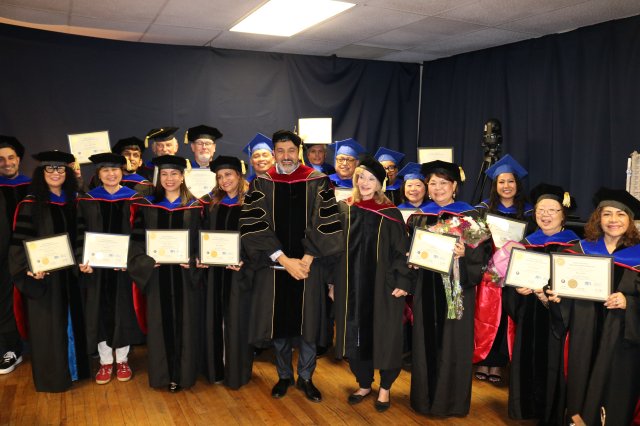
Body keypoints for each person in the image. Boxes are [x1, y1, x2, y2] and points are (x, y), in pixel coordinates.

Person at [239, 130, 343, 403]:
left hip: (310, 267)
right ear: (274, 153)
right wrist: (284, 260)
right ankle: (284, 375)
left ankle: (306, 377)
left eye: (290, 150)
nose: (286, 156)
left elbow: (326, 222)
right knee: (279, 324)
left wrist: (306, 259)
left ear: (299, 152)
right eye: (280, 151)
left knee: (308, 325)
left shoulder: (318, 181)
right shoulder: (261, 183)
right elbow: (254, 225)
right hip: (274, 267)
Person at [546, 187, 640, 425]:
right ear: (599, 218)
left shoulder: (638, 255)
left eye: (620, 214)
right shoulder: (579, 251)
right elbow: (563, 288)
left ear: (630, 220)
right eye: (607, 214)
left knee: (613, 387)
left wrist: (629, 302)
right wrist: (558, 298)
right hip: (584, 331)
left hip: (620, 337)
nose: (613, 220)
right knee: (580, 380)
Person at [331, 155, 414, 412]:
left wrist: (403, 281)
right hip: (350, 287)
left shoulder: (390, 213)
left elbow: (402, 252)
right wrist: (332, 283)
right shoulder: (344, 209)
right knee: (354, 334)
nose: (365, 183)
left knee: (386, 336)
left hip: (383, 288)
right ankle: (364, 383)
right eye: (361, 177)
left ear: (380, 184)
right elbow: (334, 250)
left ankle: (386, 387)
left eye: (371, 179)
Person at [408, 160, 490, 417]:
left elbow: (483, 257)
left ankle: (450, 402)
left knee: (454, 343)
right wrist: (411, 259)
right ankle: (424, 400)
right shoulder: (420, 216)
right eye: (433, 183)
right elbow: (409, 251)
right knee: (425, 341)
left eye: (443, 183)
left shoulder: (469, 217)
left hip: (456, 290)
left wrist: (466, 254)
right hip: (426, 288)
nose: (438, 188)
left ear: (454, 186)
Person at [9, 150, 90, 392]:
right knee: (49, 327)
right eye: (50, 168)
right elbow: (19, 242)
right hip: (47, 278)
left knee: (75, 321)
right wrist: (29, 268)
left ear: (67, 173)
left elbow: (84, 236)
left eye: (60, 168)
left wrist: (84, 259)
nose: (56, 173)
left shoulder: (76, 201)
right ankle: (54, 377)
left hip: (72, 276)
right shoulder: (30, 204)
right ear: (41, 173)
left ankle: (77, 370)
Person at [127, 154, 203, 393]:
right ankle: (163, 375)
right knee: (160, 325)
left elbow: (202, 243)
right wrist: (146, 262)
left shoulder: (196, 207)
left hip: (185, 277)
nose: (169, 178)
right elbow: (136, 242)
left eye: (174, 174)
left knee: (185, 324)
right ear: (159, 177)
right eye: (165, 174)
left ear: (182, 177)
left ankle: (184, 374)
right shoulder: (146, 206)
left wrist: (194, 260)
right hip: (157, 277)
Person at [502, 183, 579, 421]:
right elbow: (512, 283)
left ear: (563, 215)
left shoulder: (575, 247)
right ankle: (526, 408)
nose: (545, 215)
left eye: (552, 210)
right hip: (529, 313)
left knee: (553, 361)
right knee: (527, 355)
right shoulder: (526, 243)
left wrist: (554, 298)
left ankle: (551, 412)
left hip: (557, 319)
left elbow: (578, 287)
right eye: (540, 210)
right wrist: (517, 289)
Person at [77, 153, 146, 385]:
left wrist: (130, 259)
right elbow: (79, 233)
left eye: (115, 169)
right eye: (105, 170)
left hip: (123, 268)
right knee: (99, 312)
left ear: (122, 172)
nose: (111, 174)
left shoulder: (135, 199)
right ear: (98, 174)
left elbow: (140, 234)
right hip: (96, 271)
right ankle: (106, 361)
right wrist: (82, 259)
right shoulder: (87, 200)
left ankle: (123, 359)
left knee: (123, 311)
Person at [473, 154, 532, 384]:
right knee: (485, 315)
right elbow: (474, 240)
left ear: (517, 184)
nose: (506, 186)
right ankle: (483, 359)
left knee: (506, 318)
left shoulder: (529, 212)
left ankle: (497, 364)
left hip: (513, 275)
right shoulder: (482, 209)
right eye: (501, 182)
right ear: (495, 185)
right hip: (487, 274)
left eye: (511, 181)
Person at [199, 155, 253, 389]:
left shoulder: (252, 202)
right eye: (220, 176)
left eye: (228, 174)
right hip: (214, 273)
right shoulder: (211, 203)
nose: (224, 180)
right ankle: (216, 369)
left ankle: (236, 373)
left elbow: (259, 237)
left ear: (239, 175)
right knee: (214, 318)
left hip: (239, 272)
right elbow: (201, 234)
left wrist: (245, 259)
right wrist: (200, 256)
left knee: (237, 321)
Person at [0, 135, 30, 374]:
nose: (7, 163)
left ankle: (39, 345)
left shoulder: (33, 187)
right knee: (4, 302)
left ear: (19, 159)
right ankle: (10, 349)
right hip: (1, 256)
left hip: (31, 254)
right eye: (1, 159)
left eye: (11, 157)